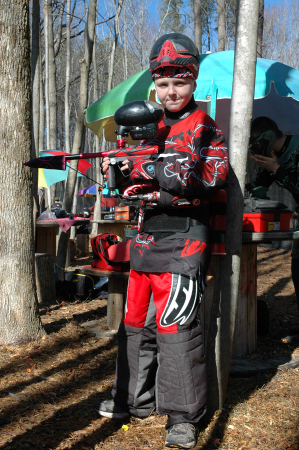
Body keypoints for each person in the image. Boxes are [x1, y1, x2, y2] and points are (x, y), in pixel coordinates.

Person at [96, 33, 229, 449]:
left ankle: (183, 417)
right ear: (155, 84)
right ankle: (133, 398)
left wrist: (154, 172)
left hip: (185, 242)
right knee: (135, 323)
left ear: (194, 82)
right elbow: (125, 184)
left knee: (176, 329)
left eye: (181, 82)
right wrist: (116, 173)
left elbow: (204, 181)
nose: (172, 91)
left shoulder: (205, 127)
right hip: (144, 238)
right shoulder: (144, 126)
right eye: (164, 82)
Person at [247, 116, 299, 311]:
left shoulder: (297, 148)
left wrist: (277, 169)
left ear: (268, 138)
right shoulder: (272, 155)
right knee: (297, 271)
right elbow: (257, 188)